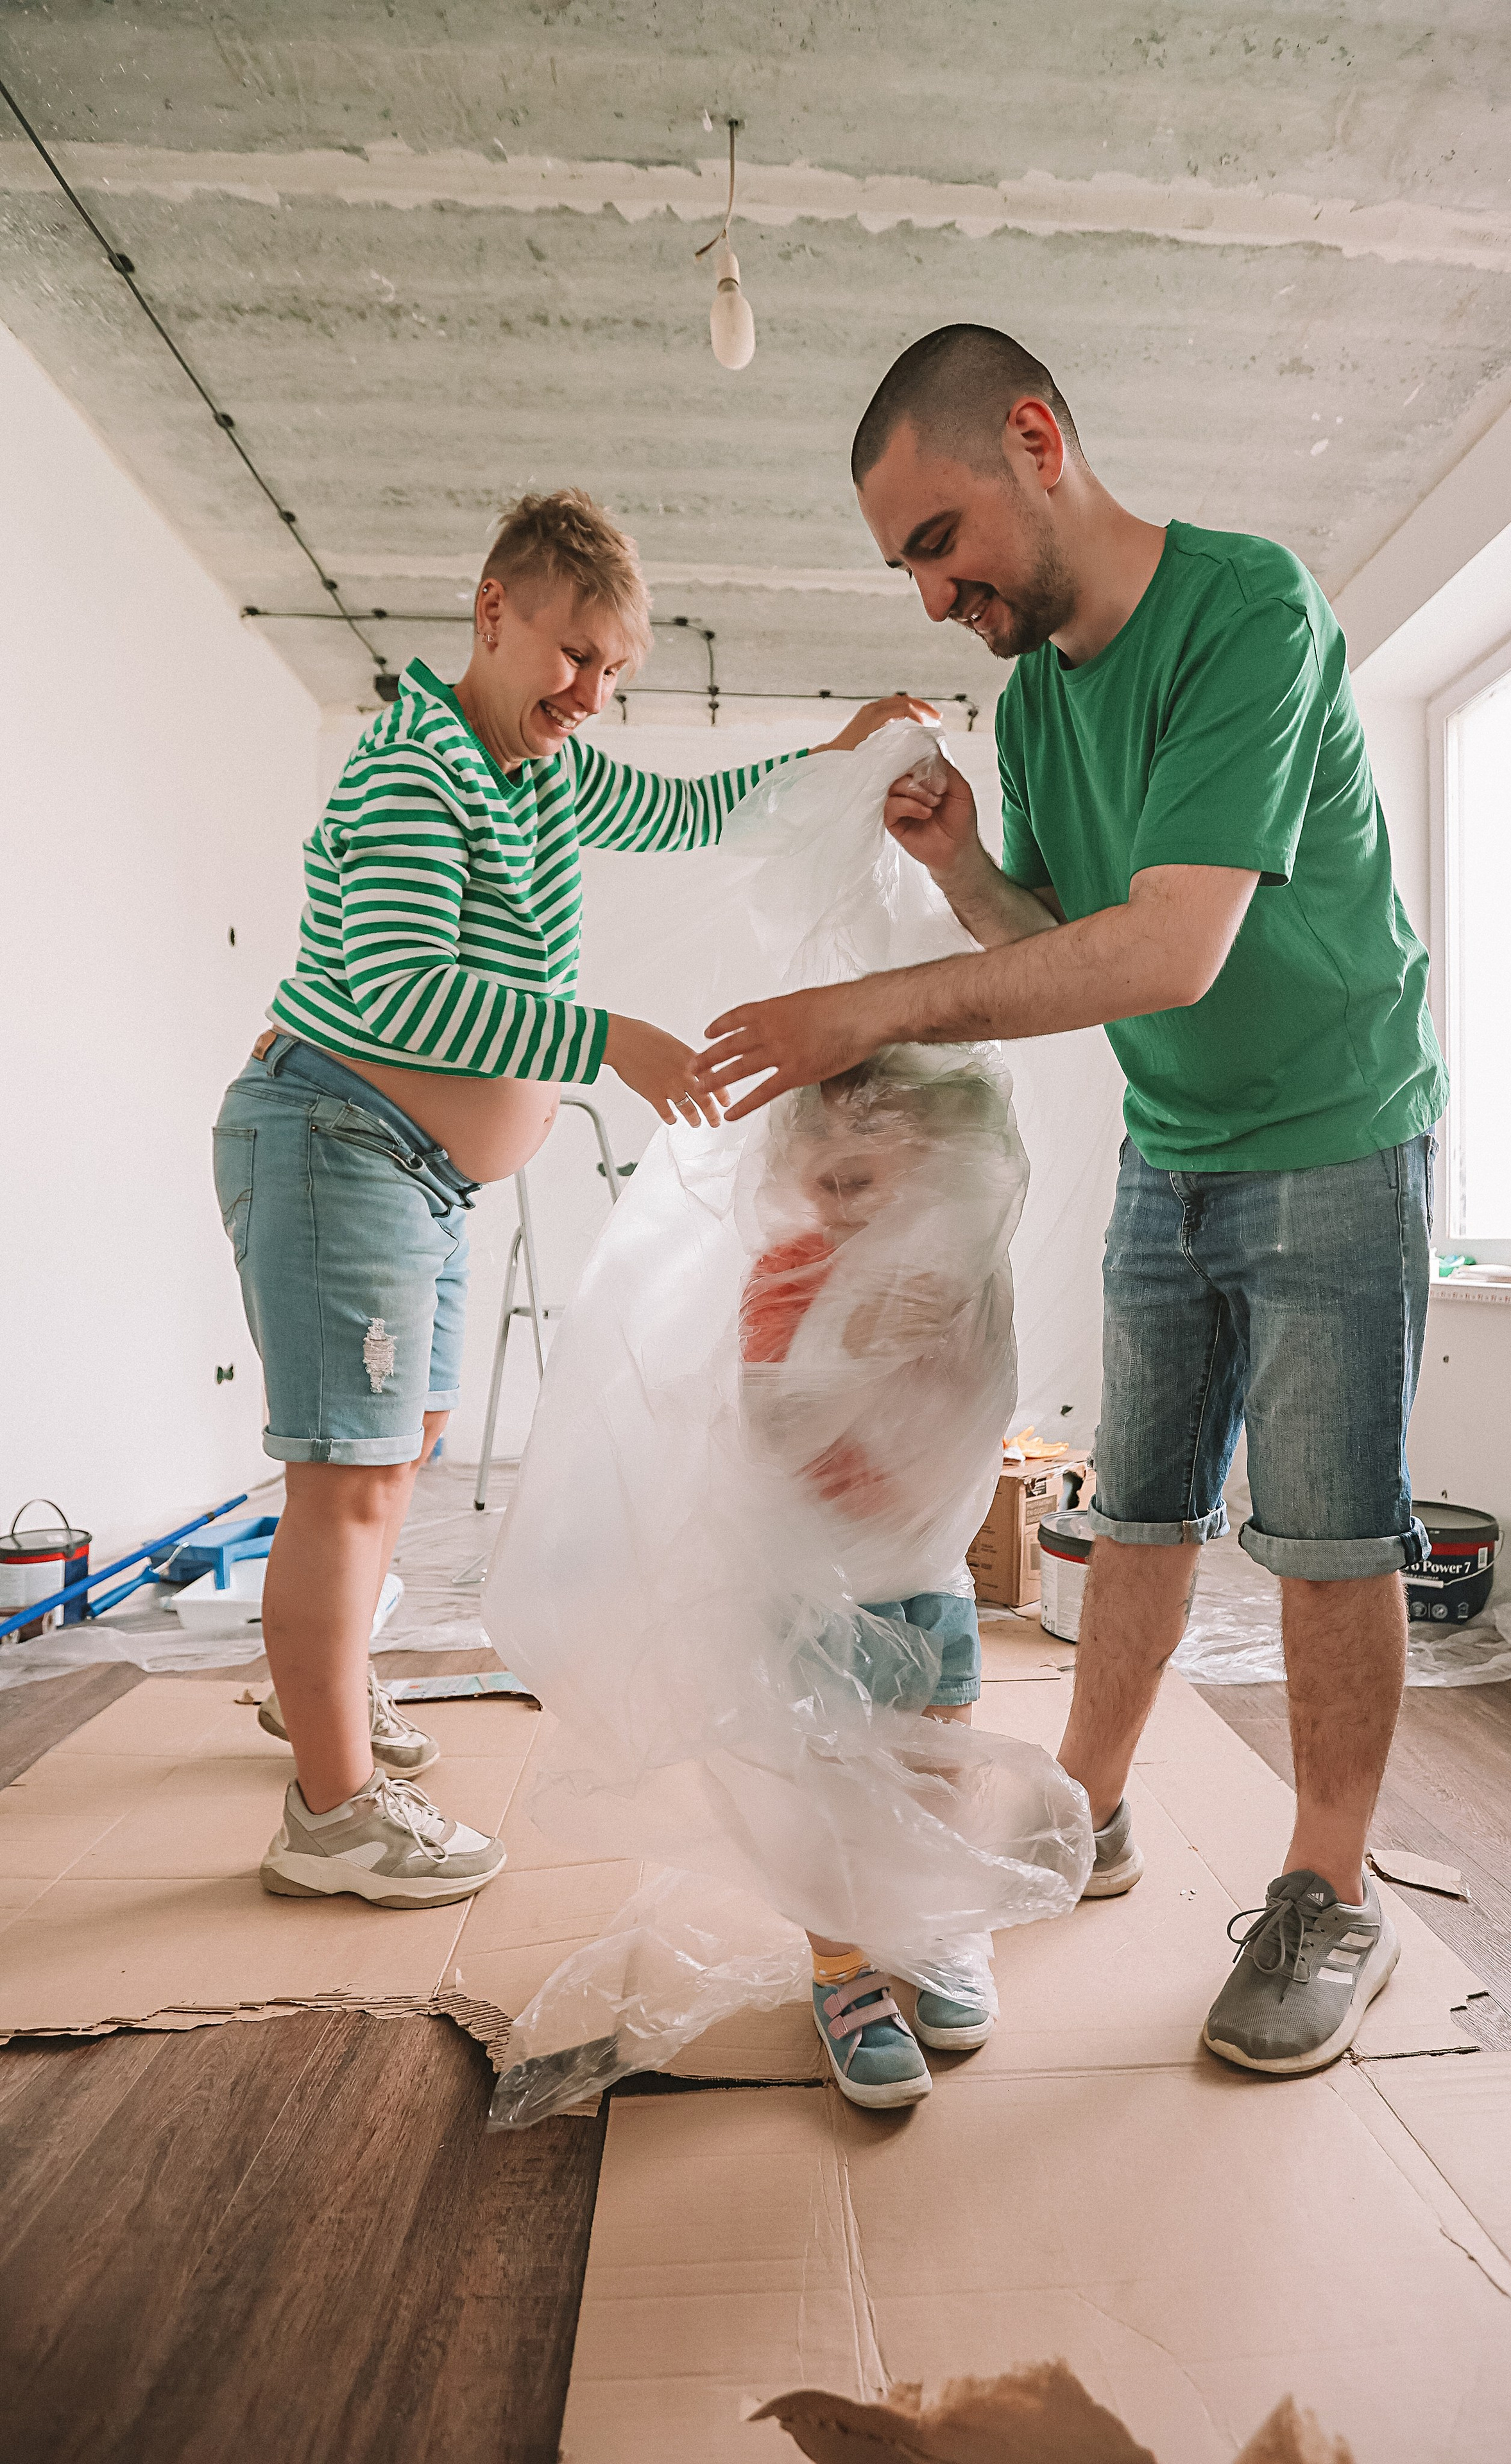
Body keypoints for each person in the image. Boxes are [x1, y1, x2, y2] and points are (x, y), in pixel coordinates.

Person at [694, 327, 1448, 2078]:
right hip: (1175, 1145)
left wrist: (867, 1011)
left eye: (938, 538)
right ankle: (1086, 1811)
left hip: (1341, 1126)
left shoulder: (1250, 612)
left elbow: (1178, 947)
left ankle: (1329, 1892)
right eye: (907, 566)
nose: (932, 590)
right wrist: (963, 868)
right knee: (1141, 1509)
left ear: (1037, 440)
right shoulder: (1037, 708)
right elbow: (1070, 967)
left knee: (1331, 1533)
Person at [212, 485, 928, 1912]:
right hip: (335, 1141)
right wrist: (608, 1039)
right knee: (347, 1485)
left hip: (406, 1169)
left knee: (397, 1449)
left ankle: (322, 1707)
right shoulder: (420, 767)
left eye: (613, 670)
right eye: (570, 655)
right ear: (493, 612)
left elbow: (684, 809)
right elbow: (408, 991)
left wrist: (829, 762)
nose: (589, 693)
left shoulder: (536, 770)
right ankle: (332, 1810)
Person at [737, 1049, 1021, 2108]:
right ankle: (843, 1968)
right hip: (820, 1581)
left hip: (929, 1568)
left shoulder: (957, 1272)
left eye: (868, 1181)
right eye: (826, 1184)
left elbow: (977, 1408)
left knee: (942, 1760)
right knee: (828, 1784)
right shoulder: (790, 1272)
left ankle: (940, 1927)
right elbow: (771, 1422)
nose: (842, 1207)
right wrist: (853, 1332)